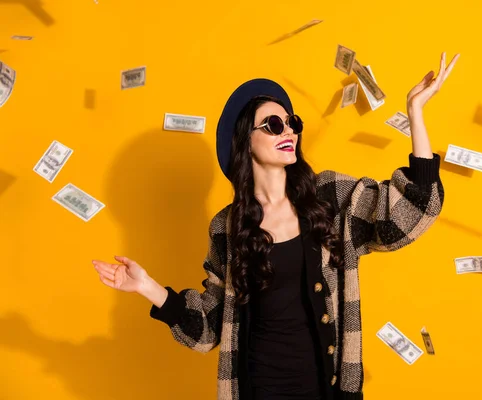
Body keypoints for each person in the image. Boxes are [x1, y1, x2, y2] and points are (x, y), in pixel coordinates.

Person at [92, 51, 459, 400]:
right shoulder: (227, 226)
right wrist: (148, 287)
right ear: (244, 141)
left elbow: (409, 213)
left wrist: (416, 112)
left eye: (292, 122)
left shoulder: (330, 198)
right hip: (257, 389)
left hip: (326, 390)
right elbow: (209, 326)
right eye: (273, 125)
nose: (289, 132)